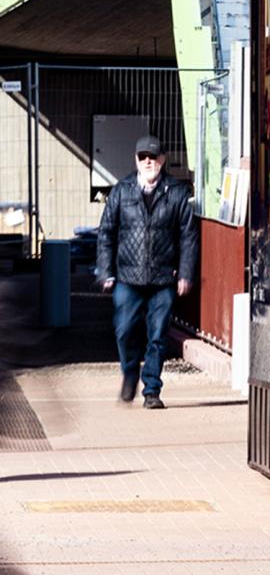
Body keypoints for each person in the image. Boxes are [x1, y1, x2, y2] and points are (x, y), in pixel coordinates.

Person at [95, 134, 198, 410]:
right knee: (124, 330)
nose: (148, 161)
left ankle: (152, 389)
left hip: (163, 278)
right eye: (143, 157)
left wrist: (185, 273)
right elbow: (106, 233)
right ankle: (129, 373)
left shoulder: (176, 193)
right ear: (136, 160)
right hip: (127, 278)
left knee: (158, 336)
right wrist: (105, 271)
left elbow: (188, 236)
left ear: (162, 160)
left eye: (153, 157)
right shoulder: (121, 191)